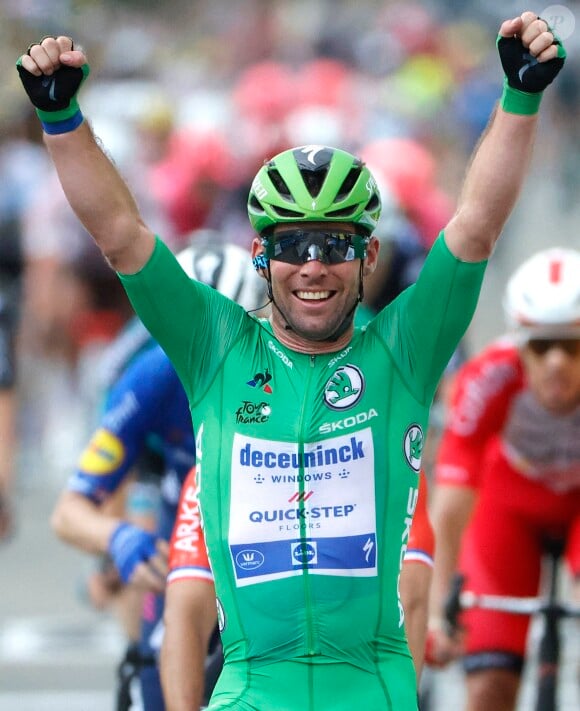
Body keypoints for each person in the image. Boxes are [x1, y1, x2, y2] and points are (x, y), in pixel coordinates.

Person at [17, 13, 565, 709]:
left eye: (335, 246)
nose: (313, 266)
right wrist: (62, 118)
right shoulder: (215, 347)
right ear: (260, 256)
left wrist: (519, 98)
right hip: (250, 688)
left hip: (371, 689)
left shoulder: (402, 351)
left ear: (368, 256)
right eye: (293, 245)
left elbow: (477, 224)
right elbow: (122, 236)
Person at [51, 239, 266, 711]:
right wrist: (117, 541)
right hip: (181, 545)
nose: (209, 359)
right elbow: (71, 510)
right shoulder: (150, 374)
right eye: (193, 340)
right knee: (156, 676)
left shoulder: (284, 368)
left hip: (262, 559)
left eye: (231, 336)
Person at [427, 246, 580, 711]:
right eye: (540, 346)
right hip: (508, 504)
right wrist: (436, 609)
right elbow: (451, 508)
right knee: (490, 684)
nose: (556, 362)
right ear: (518, 343)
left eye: (572, 346)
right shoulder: (488, 377)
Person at [162, 465, 435, 710]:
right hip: (336, 677)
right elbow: (186, 616)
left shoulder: (212, 468)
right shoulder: (389, 457)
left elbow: (186, 616)